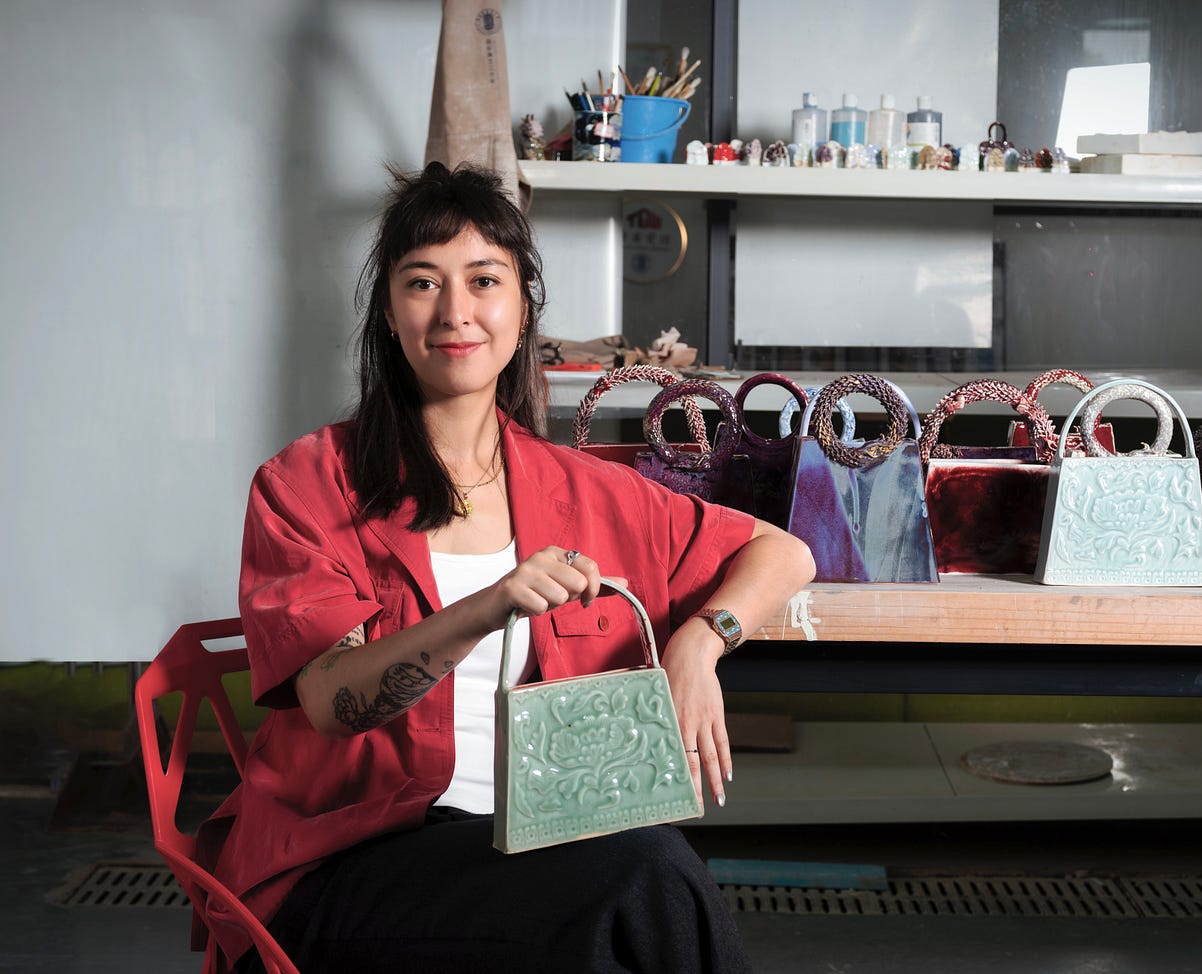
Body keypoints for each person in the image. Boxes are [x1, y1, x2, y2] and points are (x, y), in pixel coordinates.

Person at [202, 161, 817, 973]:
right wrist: (486, 607)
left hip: (533, 840)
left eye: (483, 280)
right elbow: (332, 703)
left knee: (626, 894)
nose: (455, 311)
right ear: (388, 312)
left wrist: (700, 644)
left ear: (522, 309)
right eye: (422, 282)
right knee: (644, 879)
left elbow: (783, 551)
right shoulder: (308, 483)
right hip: (346, 859)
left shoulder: (583, 489)